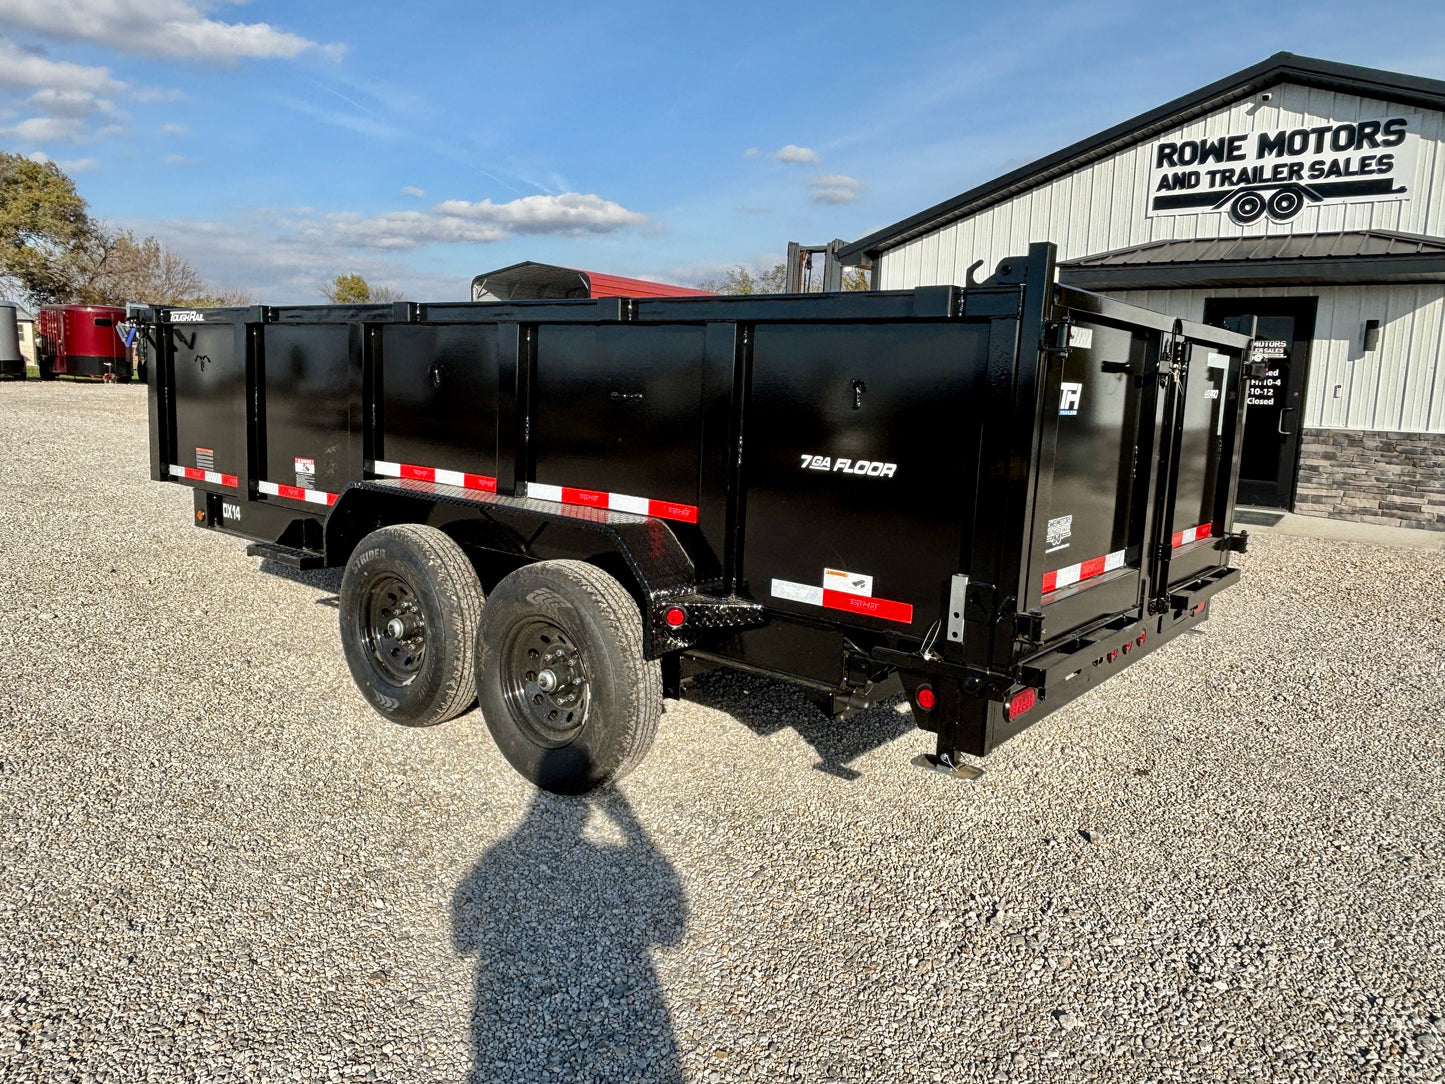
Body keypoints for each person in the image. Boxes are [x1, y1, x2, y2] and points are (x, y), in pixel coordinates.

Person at [453, 782, 687, 1082]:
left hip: (490, 1020)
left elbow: (463, 941)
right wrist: (635, 833)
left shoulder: (493, 859)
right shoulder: (499, 859)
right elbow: (670, 936)